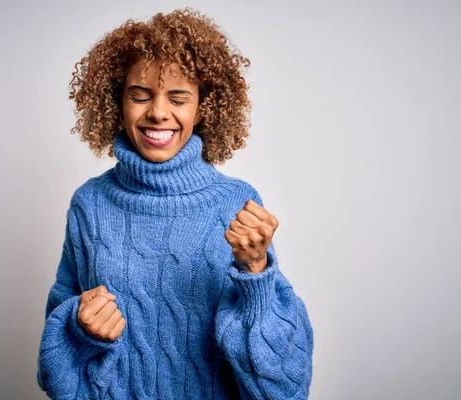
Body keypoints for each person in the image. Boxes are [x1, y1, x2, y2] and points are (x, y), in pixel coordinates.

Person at [36, 8, 313, 399]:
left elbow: (286, 387)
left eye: (178, 98)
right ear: (118, 101)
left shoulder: (234, 203)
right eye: (140, 95)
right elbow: (54, 370)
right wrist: (79, 331)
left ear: (203, 106)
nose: (158, 112)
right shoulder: (90, 205)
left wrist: (257, 273)